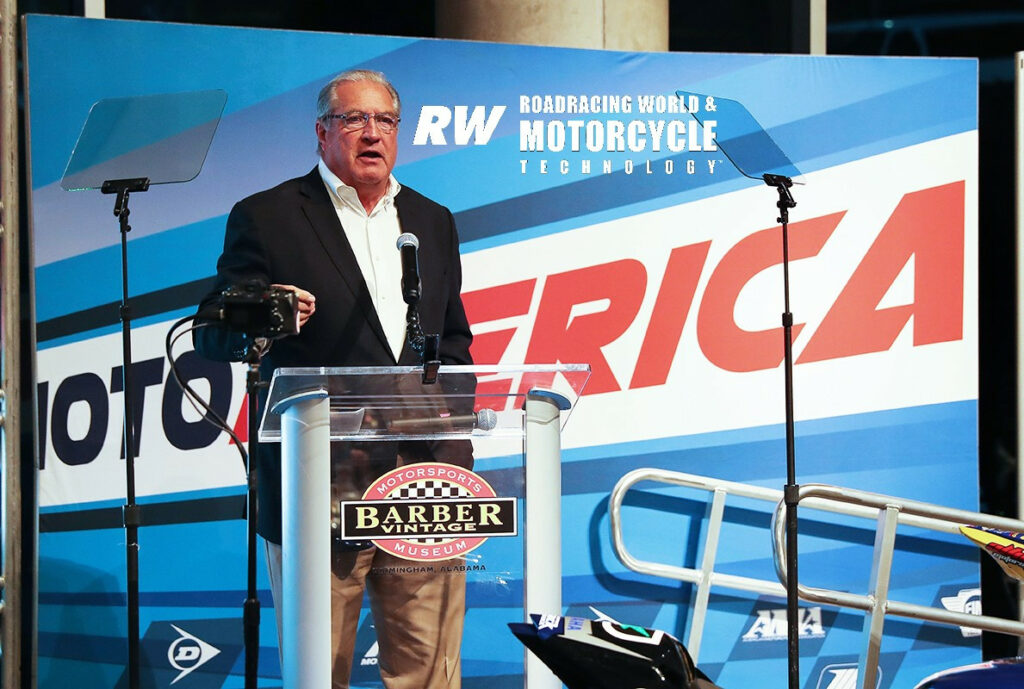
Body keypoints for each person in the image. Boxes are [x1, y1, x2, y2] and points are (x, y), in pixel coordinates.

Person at [194, 69, 473, 689]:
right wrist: (267, 316)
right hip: (320, 483)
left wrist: (450, 422)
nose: (372, 134)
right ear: (323, 133)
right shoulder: (267, 217)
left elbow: (454, 341)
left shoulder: (433, 219)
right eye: (355, 120)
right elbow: (212, 333)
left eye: (385, 121)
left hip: (422, 482)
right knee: (321, 671)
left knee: (431, 673)